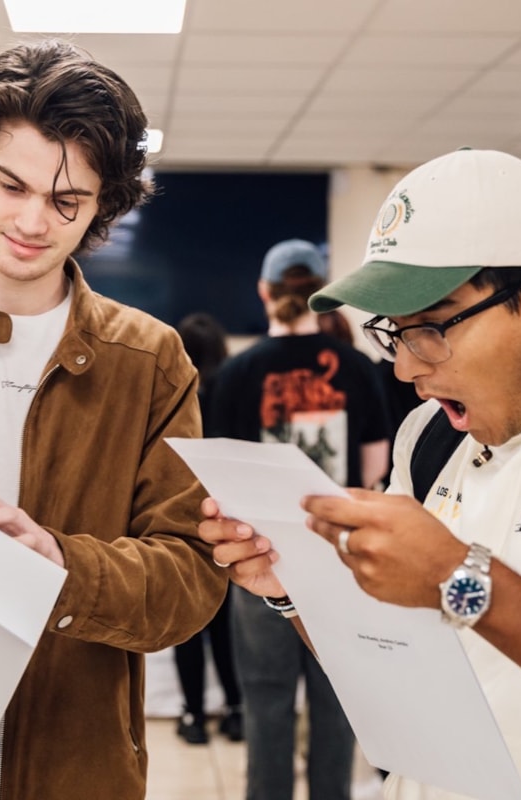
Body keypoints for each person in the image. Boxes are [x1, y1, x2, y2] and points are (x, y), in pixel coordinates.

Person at [198, 148, 521, 799]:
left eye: (430, 328)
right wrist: (293, 590)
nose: (404, 369)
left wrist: (460, 578)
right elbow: (393, 673)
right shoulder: (430, 438)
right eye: (394, 333)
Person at [0, 39, 227, 800]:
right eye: (12, 185)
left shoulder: (151, 363)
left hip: (74, 765)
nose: (33, 220)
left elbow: (192, 579)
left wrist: (62, 567)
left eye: (67, 201)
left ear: (104, 207)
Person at [207, 238, 391, 800]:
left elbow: (219, 478)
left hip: (261, 564)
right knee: (337, 701)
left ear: (265, 293)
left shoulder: (238, 373)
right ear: (323, 297)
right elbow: (373, 473)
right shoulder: (359, 370)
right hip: (342, 565)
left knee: (266, 701)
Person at [173, 312, 244, 745]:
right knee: (224, 626)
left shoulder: (176, 393)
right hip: (229, 519)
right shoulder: (233, 388)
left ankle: (193, 715)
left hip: (183, 522)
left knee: (187, 628)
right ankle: (235, 709)